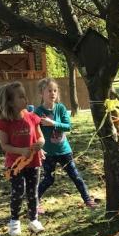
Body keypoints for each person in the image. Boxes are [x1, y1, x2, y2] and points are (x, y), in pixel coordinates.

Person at [34, 78, 97, 211]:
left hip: (64, 151)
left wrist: (53, 123)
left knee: (75, 176)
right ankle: (35, 202)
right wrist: (38, 148)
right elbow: (34, 132)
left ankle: (87, 199)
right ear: (41, 93)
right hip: (48, 153)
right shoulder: (38, 112)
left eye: (55, 91)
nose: (52, 93)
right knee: (49, 179)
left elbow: (68, 126)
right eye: (49, 91)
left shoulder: (60, 108)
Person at [0, 82, 46, 236]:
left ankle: (33, 220)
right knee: (18, 192)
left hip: (33, 162)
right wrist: (21, 151)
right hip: (15, 165)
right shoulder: (5, 122)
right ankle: (14, 222)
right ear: (10, 102)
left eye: (25, 96)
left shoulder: (32, 117)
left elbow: (40, 137)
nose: (25, 99)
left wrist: (40, 144)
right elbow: (4, 145)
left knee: (33, 192)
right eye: (21, 97)